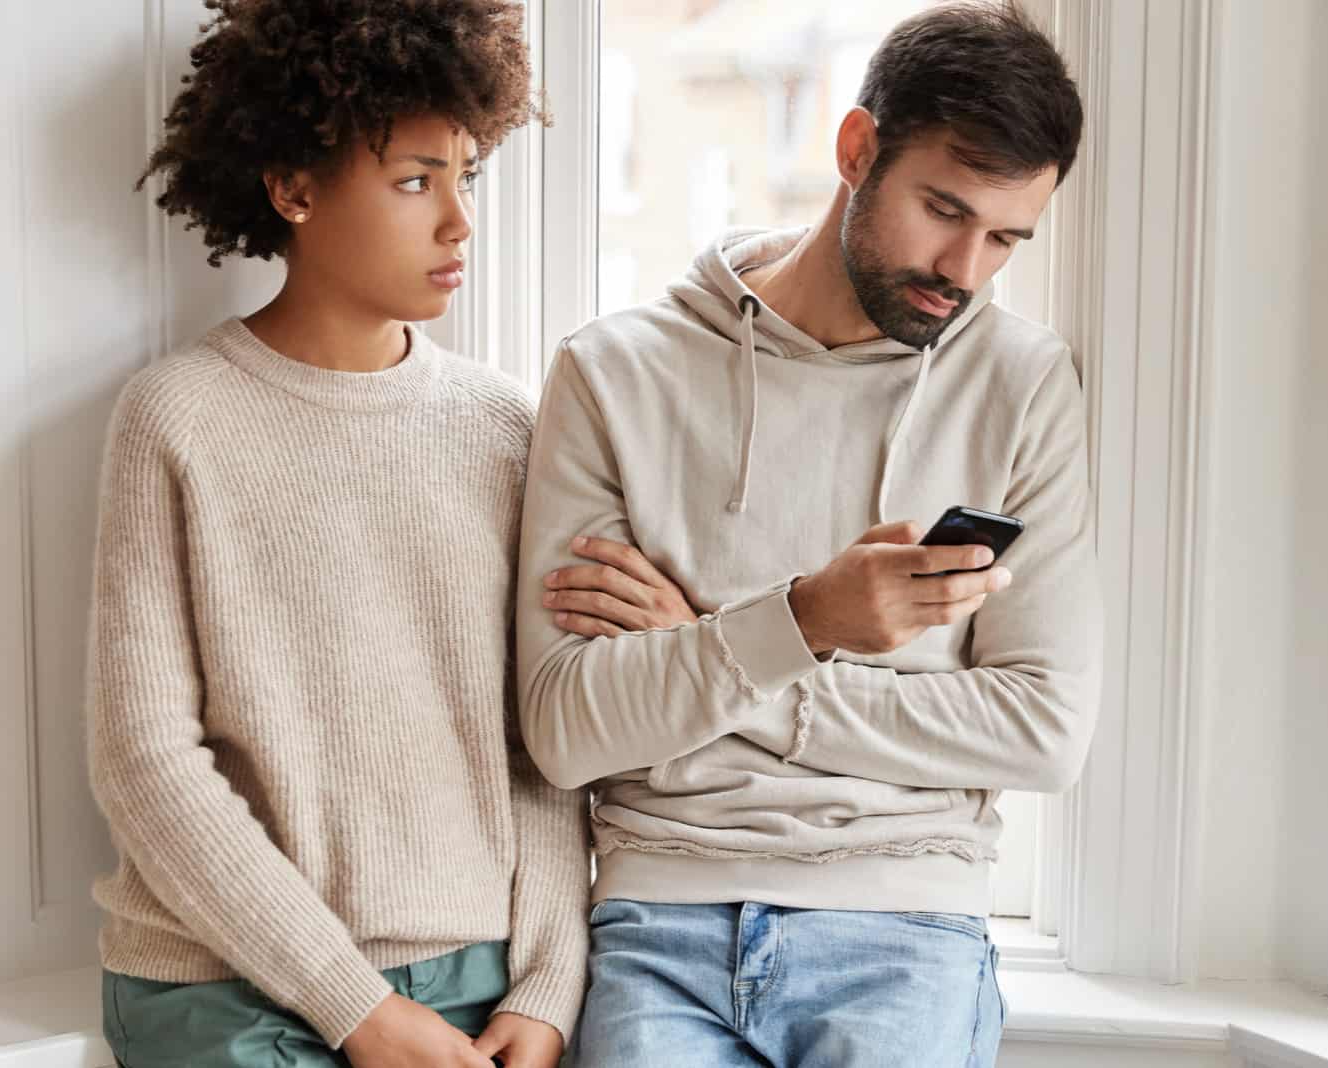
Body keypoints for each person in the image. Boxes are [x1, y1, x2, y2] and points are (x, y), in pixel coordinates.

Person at [516, 3, 1100, 1066]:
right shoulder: (613, 376)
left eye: (1007, 237)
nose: (965, 268)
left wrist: (726, 646)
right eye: (943, 209)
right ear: (855, 150)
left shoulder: (1018, 384)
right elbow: (564, 730)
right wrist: (803, 620)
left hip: (907, 925)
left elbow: (1041, 731)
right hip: (660, 922)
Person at [86, 3, 590, 1066]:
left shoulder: (505, 428)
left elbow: (537, 742)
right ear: (294, 187)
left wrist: (546, 986)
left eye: (467, 176)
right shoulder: (177, 415)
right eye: (415, 180)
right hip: (227, 978)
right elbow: (144, 760)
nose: (458, 221)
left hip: (480, 974)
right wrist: (354, 1007)